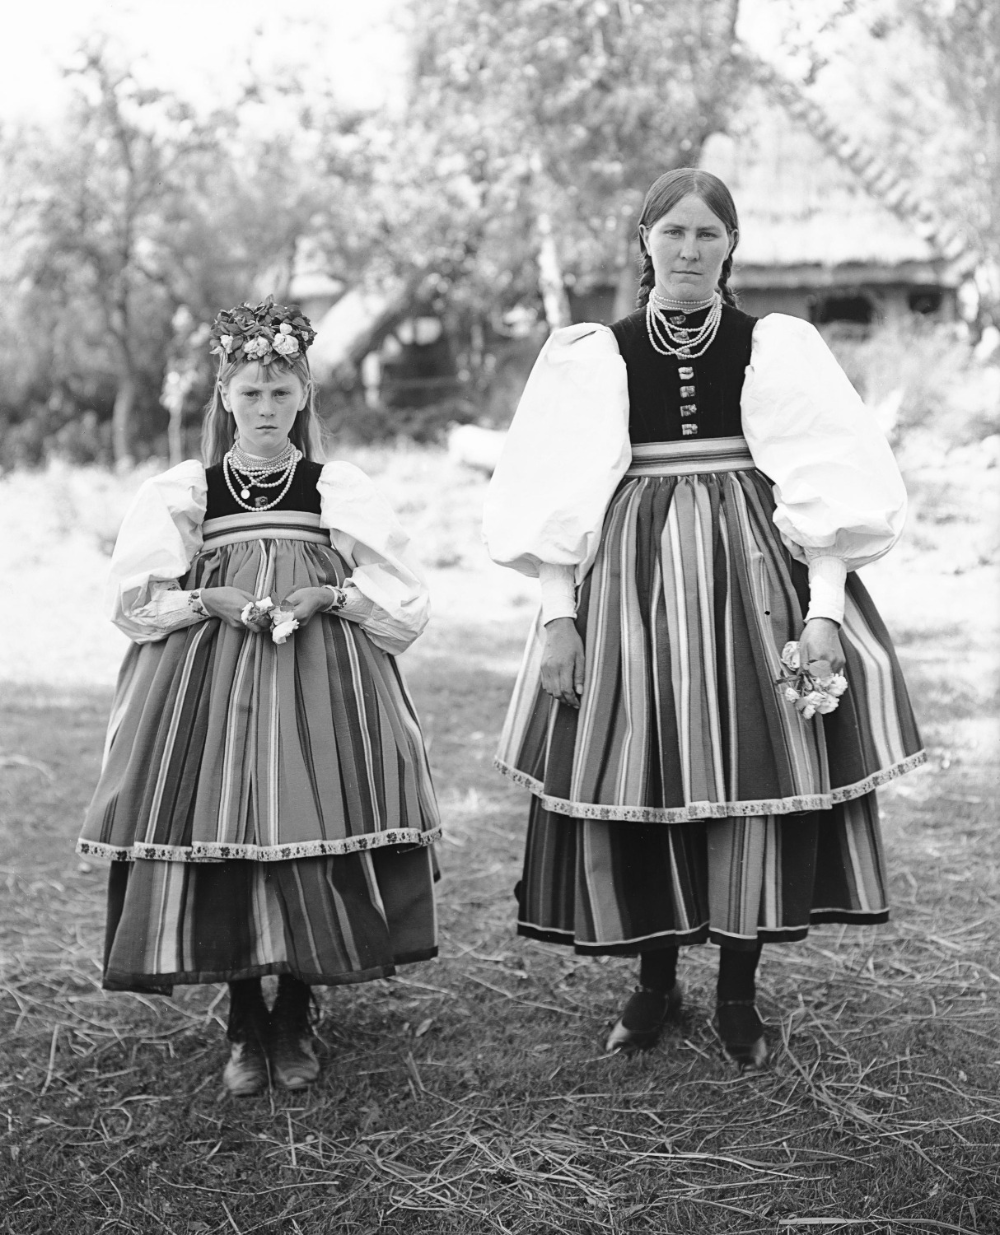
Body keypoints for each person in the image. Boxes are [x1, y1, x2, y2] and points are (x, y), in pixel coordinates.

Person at [483, 169, 924, 1067]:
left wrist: (825, 611)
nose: (689, 249)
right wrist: (556, 618)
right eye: (673, 232)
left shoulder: (775, 345)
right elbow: (560, 493)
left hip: (750, 576)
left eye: (707, 235)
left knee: (752, 771)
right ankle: (652, 985)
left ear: (731, 247)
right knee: (640, 772)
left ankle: (736, 994)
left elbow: (820, 478)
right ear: (643, 240)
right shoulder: (593, 354)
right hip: (631, 587)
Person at [79, 297, 440, 1095]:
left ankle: (297, 1006)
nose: (267, 409)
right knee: (226, 825)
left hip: (320, 675)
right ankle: (245, 1013)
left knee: (316, 821)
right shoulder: (190, 490)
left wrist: (330, 596)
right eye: (251, 394)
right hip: (212, 683)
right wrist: (205, 601)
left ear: (304, 395)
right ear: (225, 397)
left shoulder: (332, 486)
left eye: (281, 394)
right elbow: (135, 598)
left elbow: (402, 597)